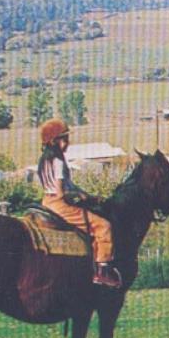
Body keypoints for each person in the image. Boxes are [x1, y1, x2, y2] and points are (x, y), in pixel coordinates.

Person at [37, 118, 122, 288]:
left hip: (46, 201)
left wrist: (88, 195)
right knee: (104, 226)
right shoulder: (58, 161)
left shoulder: (44, 160)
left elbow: (67, 184)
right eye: (64, 139)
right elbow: (62, 191)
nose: (68, 142)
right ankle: (102, 272)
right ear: (54, 141)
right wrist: (80, 196)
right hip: (59, 204)